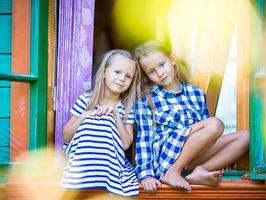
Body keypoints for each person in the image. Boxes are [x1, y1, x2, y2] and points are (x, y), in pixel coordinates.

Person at [134, 40, 249, 193]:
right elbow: (144, 139)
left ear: (173, 59)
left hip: (193, 156)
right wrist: (145, 175)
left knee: (247, 136)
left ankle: (201, 170)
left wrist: (222, 156)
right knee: (214, 124)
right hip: (167, 158)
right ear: (147, 76)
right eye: (152, 71)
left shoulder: (197, 94)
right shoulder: (146, 99)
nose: (160, 73)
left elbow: (207, 136)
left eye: (162, 65)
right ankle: (173, 171)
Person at [62, 49, 141, 197]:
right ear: (105, 72)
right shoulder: (87, 99)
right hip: (81, 163)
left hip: (110, 166)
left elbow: (125, 144)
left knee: (108, 119)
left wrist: (115, 114)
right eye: (117, 72)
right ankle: (83, 175)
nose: (122, 78)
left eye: (128, 76)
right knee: (94, 120)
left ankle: (103, 176)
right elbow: (66, 137)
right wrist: (85, 115)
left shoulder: (126, 108)